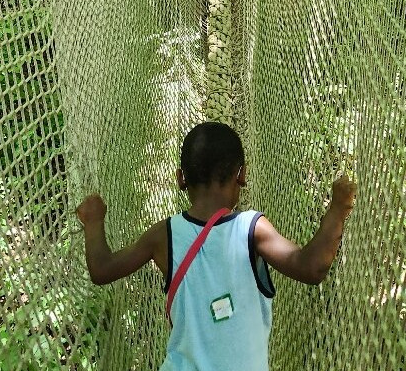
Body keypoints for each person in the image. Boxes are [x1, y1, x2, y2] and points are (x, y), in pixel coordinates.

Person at [76, 121, 357, 371]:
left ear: (180, 178)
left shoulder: (165, 234)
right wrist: (338, 208)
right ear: (242, 175)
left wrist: (94, 220)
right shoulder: (251, 229)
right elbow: (312, 267)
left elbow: (102, 269)